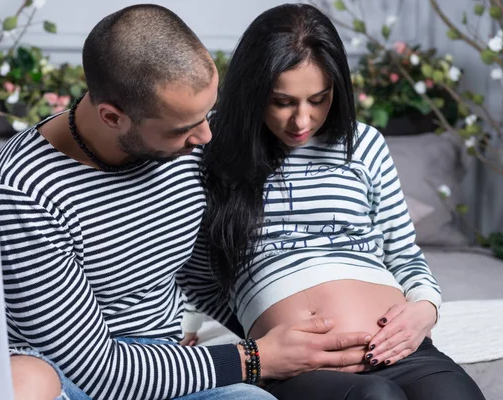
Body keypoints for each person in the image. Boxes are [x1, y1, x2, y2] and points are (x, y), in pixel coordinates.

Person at [0, 4, 377, 400]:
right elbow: (100, 371)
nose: (205, 138)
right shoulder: (24, 192)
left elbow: (202, 271)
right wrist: (255, 358)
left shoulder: (186, 143)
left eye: (207, 114)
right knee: (26, 386)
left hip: (171, 365)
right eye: (183, 129)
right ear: (112, 117)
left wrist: (282, 332)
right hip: (72, 375)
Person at [202, 3, 486, 400]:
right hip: (300, 363)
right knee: (376, 398)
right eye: (283, 102)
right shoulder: (211, 145)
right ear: (252, 91)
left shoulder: (364, 144)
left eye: (318, 99)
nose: (302, 121)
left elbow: (404, 254)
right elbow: (194, 273)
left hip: (401, 348)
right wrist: (259, 349)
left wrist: (425, 309)